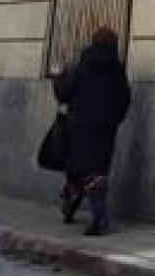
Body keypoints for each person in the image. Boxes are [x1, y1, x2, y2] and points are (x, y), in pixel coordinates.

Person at [52, 28, 132, 236]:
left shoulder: (81, 67)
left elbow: (63, 94)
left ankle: (72, 202)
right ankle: (98, 215)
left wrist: (58, 77)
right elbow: (125, 99)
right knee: (97, 173)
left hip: (79, 128)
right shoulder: (118, 72)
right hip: (105, 131)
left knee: (76, 169)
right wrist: (113, 120)